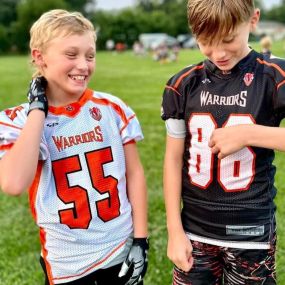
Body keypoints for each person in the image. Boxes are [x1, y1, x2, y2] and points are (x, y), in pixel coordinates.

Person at [0, 9, 148, 285]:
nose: (83, 65)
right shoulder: (21, 120)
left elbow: (135, 174)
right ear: (39, 57)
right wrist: (37, 111)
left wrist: (141, 239)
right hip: (67, 260)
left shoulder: (111, 108)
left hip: (119, 247)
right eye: (71, 55)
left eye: (90, 55)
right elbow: (12, 183)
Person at [161, 0, 285, 284]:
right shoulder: (182, 84)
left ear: (253, 20)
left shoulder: (274, 76)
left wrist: (250, 134)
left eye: (228, 39)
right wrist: (174, 230)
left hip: (251, 233)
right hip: (194, 231)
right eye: (205, 41)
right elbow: (173, 159)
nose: (218, 52)